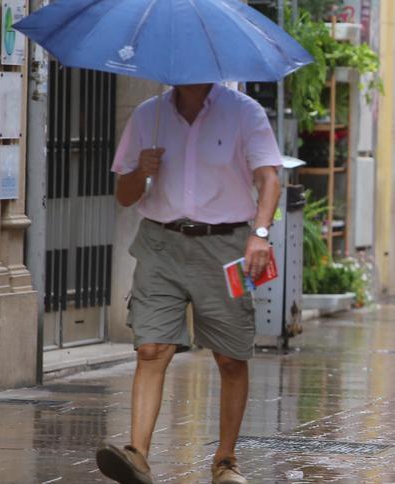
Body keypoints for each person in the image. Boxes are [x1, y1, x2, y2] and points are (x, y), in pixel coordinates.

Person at [97, 83, 283, 484]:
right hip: (160, 243)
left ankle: (225, 460)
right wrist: (139, 172)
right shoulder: (150, 114)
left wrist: (261, 235)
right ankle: (138, 456)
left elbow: (269, 179)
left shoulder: (243, 112)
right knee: (151, 348)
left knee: (230, 357)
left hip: (228, 245)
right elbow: (125, 195)